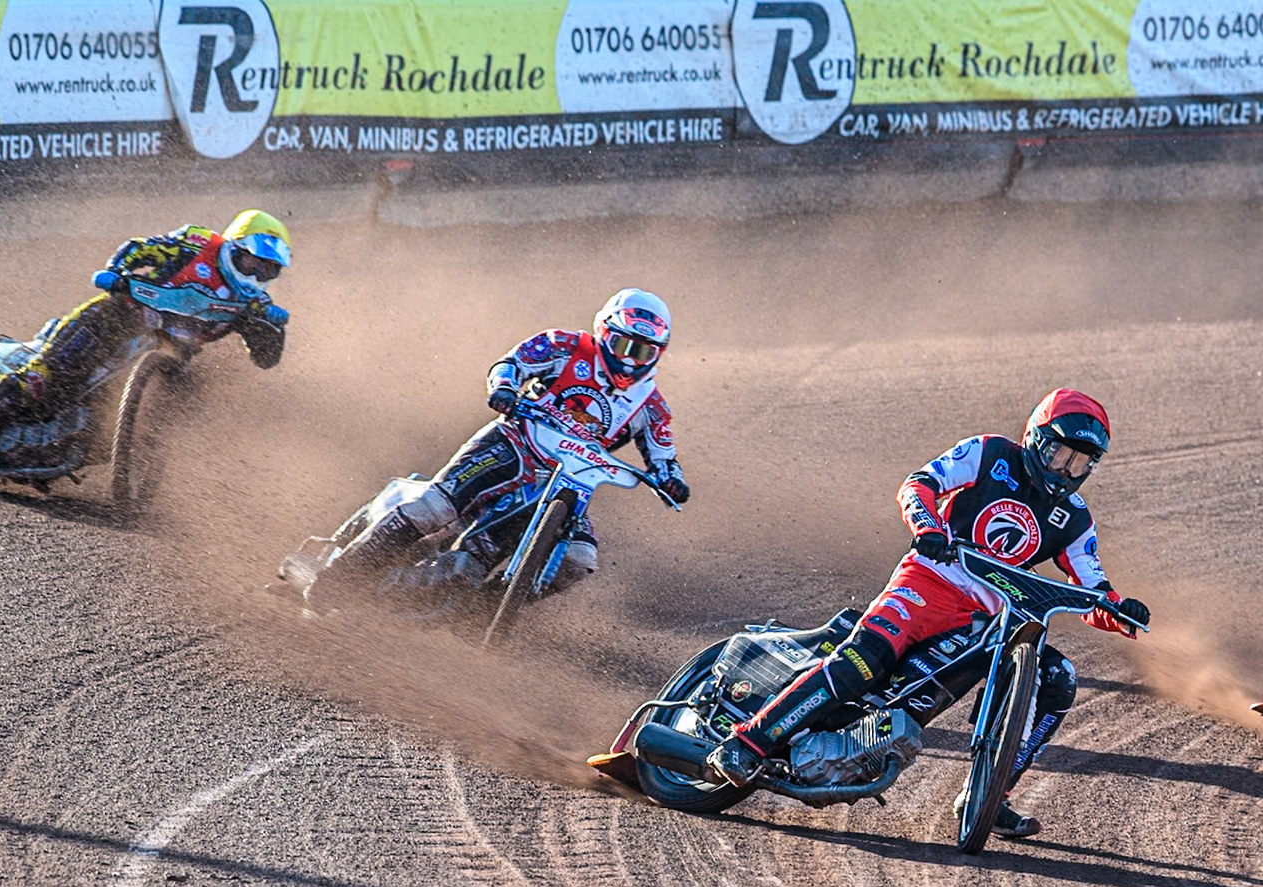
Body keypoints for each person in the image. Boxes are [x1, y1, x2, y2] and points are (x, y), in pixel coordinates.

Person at [706, 388, 1151, 839]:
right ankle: (748, 742)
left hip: (992, 618)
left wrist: (1120, 612)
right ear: (1037, 437)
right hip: (929, 581)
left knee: (1059, 680)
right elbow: (919, 485)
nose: (1067, 470)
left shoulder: (1075, 519)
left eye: (1080, 463)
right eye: (1061, 455)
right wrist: (928, 526)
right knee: (863, 662)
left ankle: (992, 796)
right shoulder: (990, 452)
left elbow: (1094, 591)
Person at [306, 287, 689, 603]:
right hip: (515, 441)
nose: (628, 359)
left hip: (570, 482)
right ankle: (339, 578)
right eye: (622, 344)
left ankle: (485, 612)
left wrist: (671, 480)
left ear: (658, 353)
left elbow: (663, 455)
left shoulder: (651, 407)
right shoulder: (565, 345)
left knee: (580, 557)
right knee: (434, 509)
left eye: (641, 351)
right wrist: (504, 388)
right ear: (604, 332)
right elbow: (512, 363)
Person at [0, 209, 292, 477]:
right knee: (45, 379)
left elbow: (266, 360)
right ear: (234, 247)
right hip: (117, 318)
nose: (256, 273)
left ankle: (103, 456)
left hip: (167, 357)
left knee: (188, 402)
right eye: (252, 260)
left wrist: (272, 331)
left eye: (268, 270)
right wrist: (116, 272)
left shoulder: (255, 303)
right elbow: (142, 249)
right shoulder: (198, 244)